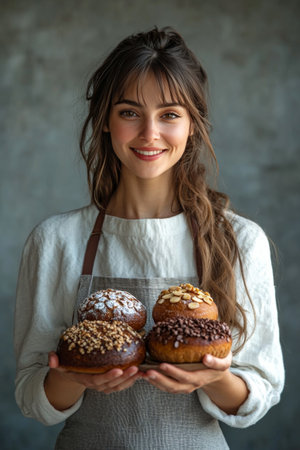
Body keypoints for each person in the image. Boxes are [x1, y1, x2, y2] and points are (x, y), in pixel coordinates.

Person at [14, 27, 284, 449]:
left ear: (193, 125)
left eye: (170, 114)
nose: (149, 133)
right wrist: (71, 379)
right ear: (105, 120)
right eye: (129, 112)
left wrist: (218, 379)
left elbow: (260, 393)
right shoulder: (56, 240)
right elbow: (32, 396)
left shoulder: (239, 239)